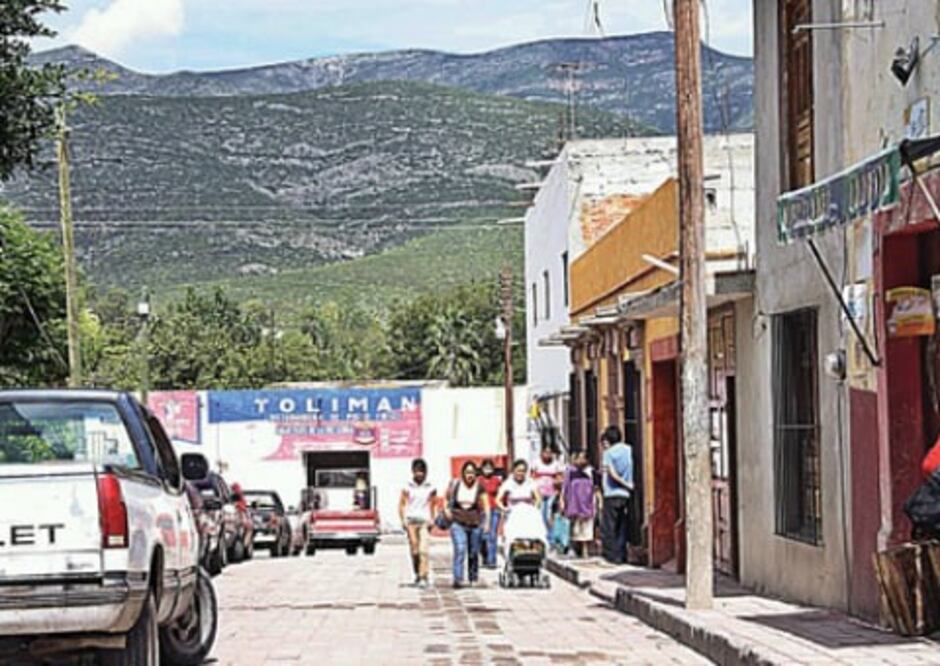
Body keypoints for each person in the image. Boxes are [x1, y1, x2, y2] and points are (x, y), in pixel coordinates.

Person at [445, 461, 490, 588]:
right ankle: (458, 578)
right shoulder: (456, 484)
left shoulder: (479, 487)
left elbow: (486, 506)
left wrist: (487, 523)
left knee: (473, 552)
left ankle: (473, 576)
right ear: (463, 473)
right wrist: (446, 510)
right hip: (458, 522)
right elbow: (446, 498)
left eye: (472, 473)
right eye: (467, 472)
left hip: (475, 523)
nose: (470, 475)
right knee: (460, 549)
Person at [399, 458, 436, 588]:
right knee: (415, 551)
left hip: (424, 521)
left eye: (422, 471)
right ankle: (417, 573)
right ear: (413, 471)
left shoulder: (430, 486)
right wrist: (403, 519)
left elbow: (433, 503)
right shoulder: (407, 486)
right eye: (417, 471)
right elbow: (402, 504)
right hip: (411, 521)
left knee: (423, 550)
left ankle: (423, 576)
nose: (419, 474)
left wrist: (433, 518)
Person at [600, 425, 633, 564]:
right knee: (622, 525)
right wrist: (629, 485)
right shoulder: (628, 450)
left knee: (610, 526)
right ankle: (622, 554)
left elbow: (612, 474)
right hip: (625, 494)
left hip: (611, 492)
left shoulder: (608, 453)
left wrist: (624, 483)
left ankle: (612, 556)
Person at [560, 450, 597, 559]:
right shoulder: (570, 472)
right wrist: (562, 500)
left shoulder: (590, 472)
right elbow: (565, 487)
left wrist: (597, 502)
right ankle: (574, 548)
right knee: (575, 528)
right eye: (578, 458)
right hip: (574, 503)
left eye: (583, 458)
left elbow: (596, 488)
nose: (580, 460)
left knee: (587, 527)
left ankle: (585, 550)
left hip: (587, 503)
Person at [531, 446, 564, 532]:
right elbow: (532, 477)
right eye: (546, 452)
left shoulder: (556, 464)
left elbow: (560, 477)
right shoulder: (536, 463)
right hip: (539, 492)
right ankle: (541, 531)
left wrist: (558, 488)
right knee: (540, 511)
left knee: (549, 513)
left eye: (550, 453)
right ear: (541, 453)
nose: (547, 455)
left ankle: (550, 533)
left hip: (552, 492)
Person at [478, 459, 503, 569]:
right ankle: (484, 555)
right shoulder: (478, 480)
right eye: (485, 468)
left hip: (494, 510)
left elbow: (501, 494)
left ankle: (491, 561)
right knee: (482, 536)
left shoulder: (496, 480)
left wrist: (502, 506)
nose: (487, 470)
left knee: (492, 536)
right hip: (481, 511)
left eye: (490, 468)